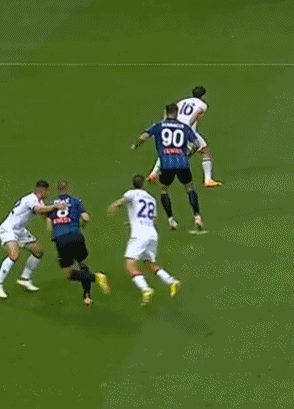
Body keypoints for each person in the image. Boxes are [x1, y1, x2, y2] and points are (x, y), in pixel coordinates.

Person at [108, 175, 182, 307]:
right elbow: (155, 219)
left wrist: (114, 206)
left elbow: (122, 202)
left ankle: (145, 289)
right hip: (152, 233)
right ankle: (172, 281)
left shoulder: (131, 193)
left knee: (130, 265)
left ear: (134, 184)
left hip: (139, 234)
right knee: (149, 264)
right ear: (144, 185)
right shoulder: (152, 199)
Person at [132, 104, 205, 233]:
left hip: (166, 164)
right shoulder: (184, 127)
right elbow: (196, 144)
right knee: (189, 188)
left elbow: (143, 137)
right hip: (182, 163)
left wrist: (136, 145)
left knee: (164, 190)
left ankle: (171, 220)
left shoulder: (159, 125)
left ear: (166, 112)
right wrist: (188, 154)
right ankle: (197, 217)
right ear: (177, 113)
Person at [0, 180, 65, 299]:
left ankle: (25, 279)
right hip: (9, 229)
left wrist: (53, 223)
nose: (48, 193)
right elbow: (39, 210)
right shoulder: (30, 199)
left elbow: (43, 213)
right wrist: (54, 206)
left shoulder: (39, 201)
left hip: (20, 231)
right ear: (42, 190)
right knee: (14, 255)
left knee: (38, 251)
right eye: (47, 191)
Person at [46, 180, 109, 306]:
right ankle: (87, 295)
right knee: (82, 263)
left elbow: (49, 226)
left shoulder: (51, 204)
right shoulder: (76, 201)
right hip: (76, 236)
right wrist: (83, 224)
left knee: (68, 273)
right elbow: (85, 217)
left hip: (61, 239)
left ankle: (96, 277)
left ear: (58, 190)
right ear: (68, 189)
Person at [149, 86, 222, 188]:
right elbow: (195, 116)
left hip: (174, 128)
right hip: (186, 131)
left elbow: (169, 111)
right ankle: (207, 180)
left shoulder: (182, 101)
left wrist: (165, 123)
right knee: (204, 152)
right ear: (203, 96)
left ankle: (153, 173)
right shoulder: (203, 105)